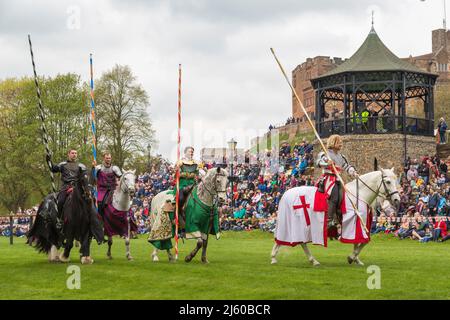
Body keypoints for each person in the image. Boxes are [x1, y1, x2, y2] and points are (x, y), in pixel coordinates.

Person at [316, 134, 359, 229]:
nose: (341, 144)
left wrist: (353, 172)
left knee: (344, 197)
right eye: (338, 142)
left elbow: (346, 166)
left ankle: (339, 218)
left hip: (338, 179)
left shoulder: (341, 156)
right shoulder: (325, 154)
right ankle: (329, 219)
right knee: (334, 196)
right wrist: (327, 163)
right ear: (333, 142)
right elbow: (318, 163)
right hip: (328, 178)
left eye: (341, 142)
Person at [48, 148, 91, 219]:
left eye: (75, 153)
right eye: (72, 153)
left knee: (88, 202)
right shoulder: (63, 164)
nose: (74, 155)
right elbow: (53, 169)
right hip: (66, 187)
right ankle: (59, 219)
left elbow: (85, 178)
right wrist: (49, 160)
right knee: (60, 202)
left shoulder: (81, 166)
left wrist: (87, 190)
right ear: (68, 154)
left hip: (78, 188)